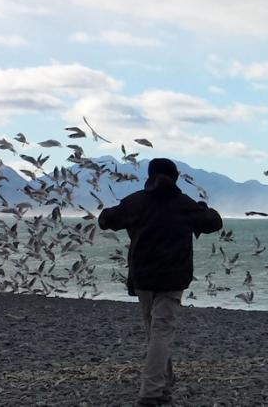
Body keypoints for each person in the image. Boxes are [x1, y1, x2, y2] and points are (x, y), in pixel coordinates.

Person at [98, 158, 222, 406]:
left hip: (142, 277)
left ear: (149, 175)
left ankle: (162, 385)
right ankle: (151, 393)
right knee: (162, 332)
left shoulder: (136, 202)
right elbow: (214, 223)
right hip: (172, 278)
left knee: (154, 332)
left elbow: (105, 220)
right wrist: (203, 207)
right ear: (175, 177)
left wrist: (120, 213)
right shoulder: (183, 204)